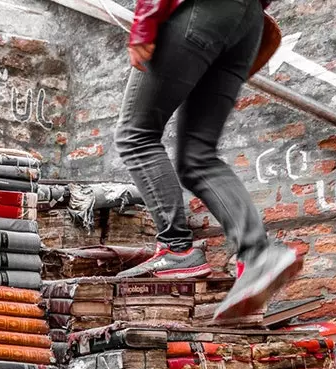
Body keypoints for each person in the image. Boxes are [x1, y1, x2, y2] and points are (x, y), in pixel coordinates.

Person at [114, 0, 300, 322]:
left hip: (201, 12)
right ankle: (258, 253)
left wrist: (144, 23)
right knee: (198, 156)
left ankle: (176, 249)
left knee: (136, 135)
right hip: (248, 23)